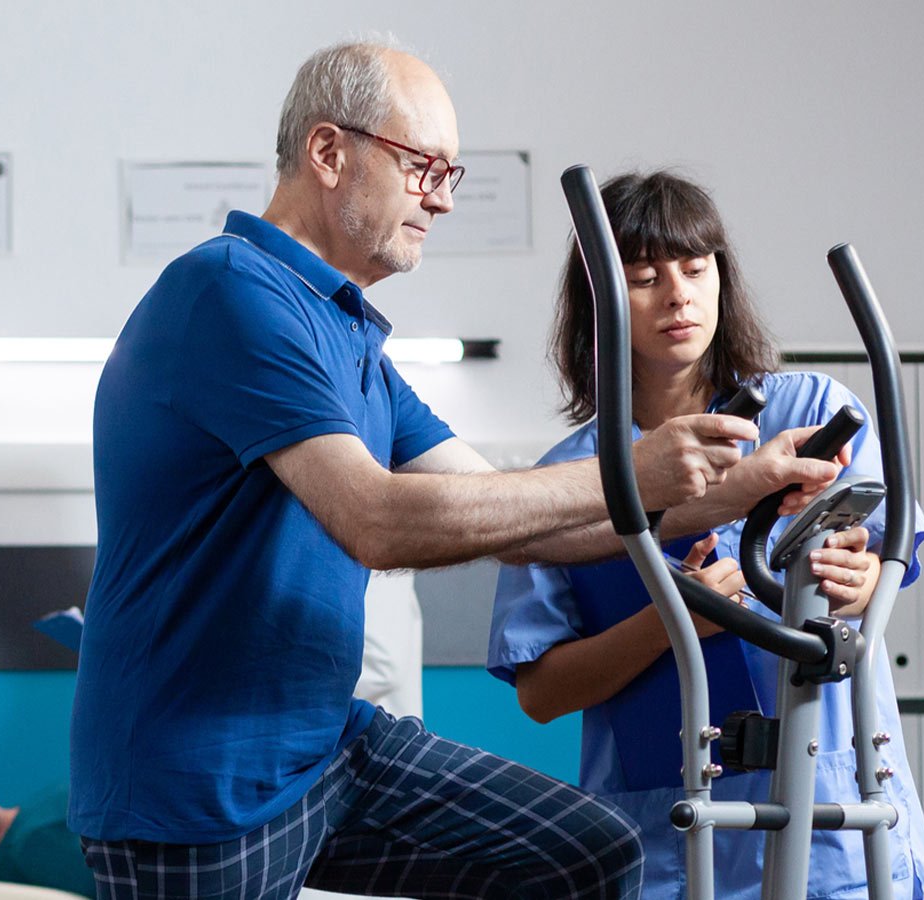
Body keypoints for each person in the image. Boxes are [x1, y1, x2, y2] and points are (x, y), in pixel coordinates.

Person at [72, 40, 845, 900]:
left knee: (589, 852)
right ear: (330, 153)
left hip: (321, 750)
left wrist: (728, 491)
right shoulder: (232, 293)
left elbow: (533, 525)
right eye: (422, 167)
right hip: (196, 781)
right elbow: (378, 519)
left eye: (452, 173)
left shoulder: (349, 333)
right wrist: (634, 468)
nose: (440, 199)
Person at [485, 170, 924, 900]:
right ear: (600, 299)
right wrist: (679, 621)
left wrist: (857, 587)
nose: (678, 294)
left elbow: (881, 567)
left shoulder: (810, 409)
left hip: (830, 813)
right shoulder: (569, 477)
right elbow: (541, 691)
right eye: (643, 276)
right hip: (663, 829)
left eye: (697, 269)